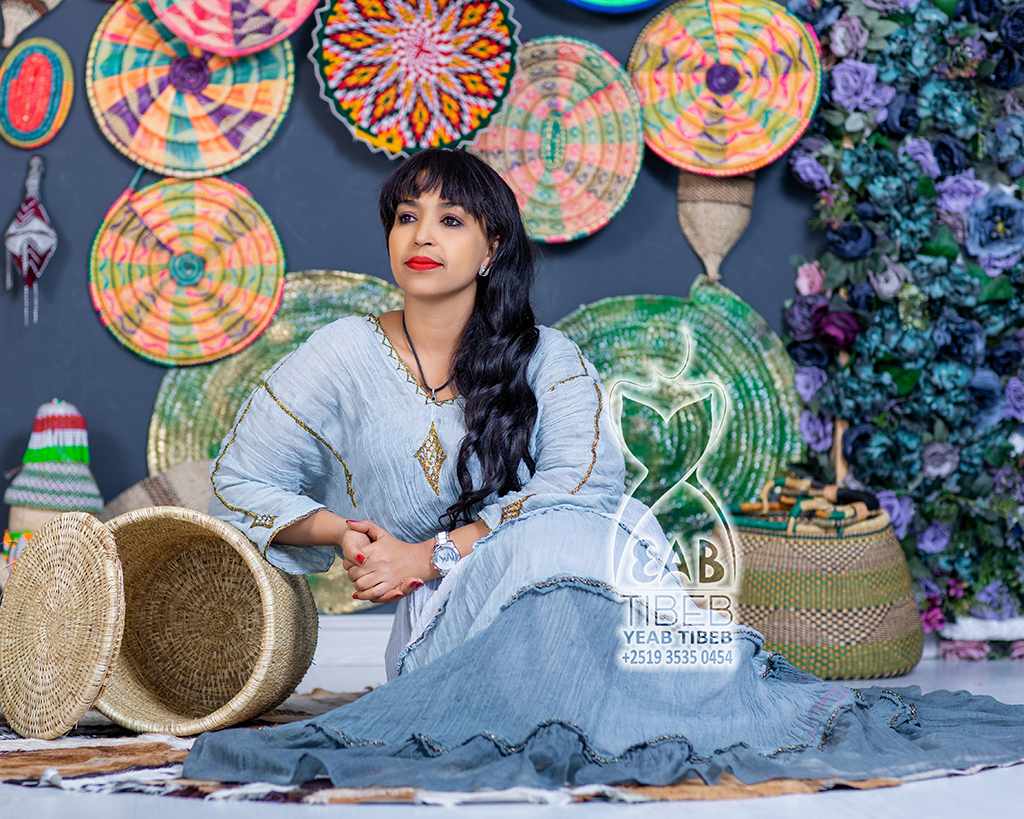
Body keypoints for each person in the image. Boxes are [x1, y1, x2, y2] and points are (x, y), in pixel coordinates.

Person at [182, 147, 1024, 792]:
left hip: (565, 571)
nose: (422, 236)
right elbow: (240, 478)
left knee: (588, 528)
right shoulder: (342, 353)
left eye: (450, 219)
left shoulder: (548, 358)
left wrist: (432, 550)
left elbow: (579, 491)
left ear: (492, 246)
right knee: (564, 542)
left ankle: (658, 704)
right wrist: (347, 532)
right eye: (406, 217)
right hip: (452, 620)